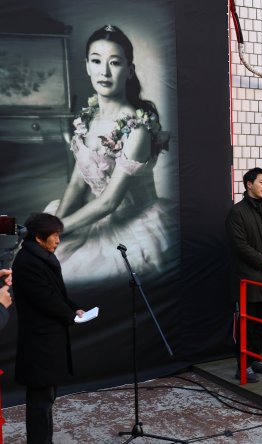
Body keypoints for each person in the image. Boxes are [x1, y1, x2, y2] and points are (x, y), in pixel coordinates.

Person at [49, 25, 174, 284]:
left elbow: (109, 203)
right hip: (93, 216)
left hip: (132, 224)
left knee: (71, 275)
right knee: (40, 260)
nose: (104, 72)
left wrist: (58, 230)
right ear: (87, 66)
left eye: (115, 63)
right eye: (96, 61)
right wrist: (50, 228)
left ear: (129, 70)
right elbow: (77, 184)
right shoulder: (88, 120)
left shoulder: (136, 129)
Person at [13, 213, 85, 444]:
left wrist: (74, 308)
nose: (58, 240)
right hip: (39, 342)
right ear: (38, 238)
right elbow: (45, 299)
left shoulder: (42, 256)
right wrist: (70, 316)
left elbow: (56, 293)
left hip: (49, 339)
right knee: (40, 400)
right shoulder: (27, 262)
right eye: (54, 235)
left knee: (47, 397)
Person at [226, 167, 262, 382]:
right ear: (249, 184)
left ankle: (255, 358)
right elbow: (239, 245)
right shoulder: (237, 212)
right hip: (248, 277)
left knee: (261, 323)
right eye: (261, 182)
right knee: (246, 324)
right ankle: (243, 366)